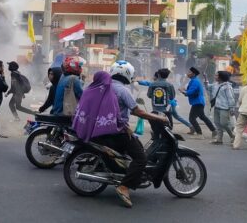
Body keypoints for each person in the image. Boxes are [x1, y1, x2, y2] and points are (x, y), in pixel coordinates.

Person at [91, 62, 167, 208]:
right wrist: (159, 118)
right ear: (127, 74)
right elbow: (138, 111)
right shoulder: (123, 90)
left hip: (100, 128)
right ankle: (124, 186)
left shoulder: (104, 86)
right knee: (141, 158)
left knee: (131, 151)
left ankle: (123, 173)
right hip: (117, 132)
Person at [180, 67, 216, 139]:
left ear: (193, 74)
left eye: (189, 72)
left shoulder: (195, 81)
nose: (188, 73)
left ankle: (199, 134)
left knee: (192, 118)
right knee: (202, 117)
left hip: (198, 102)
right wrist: (185, 90)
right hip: (198, 102)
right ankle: (214, 130)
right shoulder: (193, 80)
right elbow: (191, 90)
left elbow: (191, 92)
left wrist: (183, 91)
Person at [207, 71, 236, 144]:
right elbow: (208, 87)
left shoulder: (227, 87)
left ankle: (232, 136)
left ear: (220, 77)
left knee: (224, 123)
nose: (215, 76)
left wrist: (232, 108)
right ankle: (219, 140)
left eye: (216, 75)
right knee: (217, 123)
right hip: (217, 106)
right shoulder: (215, 84)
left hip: (224, 108)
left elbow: (231, 98)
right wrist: (205, 79)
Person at [233, 76, 247, 150]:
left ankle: (236, 145)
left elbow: (240, 100)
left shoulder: (244, 88)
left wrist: (242, 107)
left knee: (239, 128)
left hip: (244, 111)